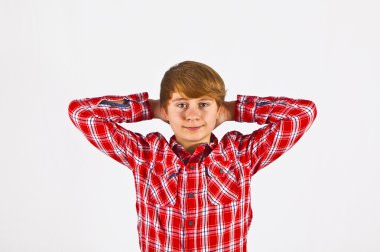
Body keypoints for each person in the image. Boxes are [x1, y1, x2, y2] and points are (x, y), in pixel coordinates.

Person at [67, 60, 317, 252]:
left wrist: (232, 110)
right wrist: (151, 108)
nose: (192, 115)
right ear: (166, 109)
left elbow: (302, 113)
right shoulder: (144, 155)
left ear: (218, 109)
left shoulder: (241, 155)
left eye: (204, 104)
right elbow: (82, 113)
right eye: (181, 104)